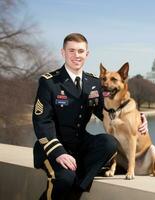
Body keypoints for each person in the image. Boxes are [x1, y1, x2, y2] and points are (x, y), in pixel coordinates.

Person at [32, 33, 148, 200]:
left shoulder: (93, 82)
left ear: (87, 54)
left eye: (80, 51)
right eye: (71, 51)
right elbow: (41, 122)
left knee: (109, 142)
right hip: (54, 146)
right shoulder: (49, 82)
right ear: (63, 53)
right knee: (65, 179)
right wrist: (59, 153)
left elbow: (108, 112)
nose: (76, 55)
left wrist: (139, 118)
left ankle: (76, 186)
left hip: (80, 145)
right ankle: (73, 185)